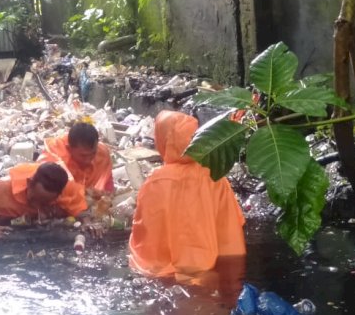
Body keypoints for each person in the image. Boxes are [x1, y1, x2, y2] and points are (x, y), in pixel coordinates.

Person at [128, 110, 246, 283]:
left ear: (163, 139)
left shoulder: (155, 181)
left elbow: (144, 236)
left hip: (162, 277)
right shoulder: (216, 177)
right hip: (209, 272)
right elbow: (230, 232)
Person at [0, 162, 87, 239]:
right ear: (29, 183)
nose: (37, 205)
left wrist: (90, 223)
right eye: (35, 199)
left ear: (59, 195)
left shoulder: (67, 189)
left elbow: (82, 211)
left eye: (44, 202)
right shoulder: (3, 188)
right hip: (0, 220)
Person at [38, 122, 114, 194]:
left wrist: (108, 196)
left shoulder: (102, 153)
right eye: (83, 156)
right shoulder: (54, 160)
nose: (88, 160)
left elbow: (107, 180)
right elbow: (47, 192)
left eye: (93, 154)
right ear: (69, 149)